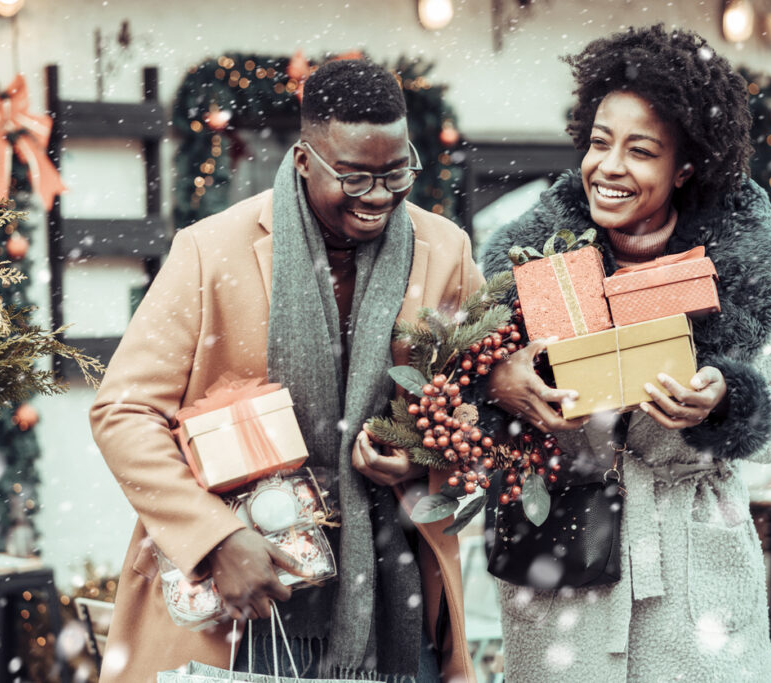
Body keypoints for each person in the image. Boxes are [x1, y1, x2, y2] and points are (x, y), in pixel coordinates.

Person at [89, 58, 480, 682]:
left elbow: (477, 404)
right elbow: (124, 412)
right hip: (241, 601)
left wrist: (422, 460)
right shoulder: (208, 250)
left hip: (395, 593)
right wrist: (216, 539)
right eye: (354, 177)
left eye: (395, 171)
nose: (379, 196)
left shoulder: (447, 251)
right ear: (305, 159)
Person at [478, 25, 771, 682]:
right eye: (599, 142)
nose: (609, 166)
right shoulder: (525, 265)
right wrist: (497, 379)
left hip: (696, 582)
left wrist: (726, 399)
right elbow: (448, 398)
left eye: (641, 150)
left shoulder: (744, 272)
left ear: (685, 166)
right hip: (561, 569)